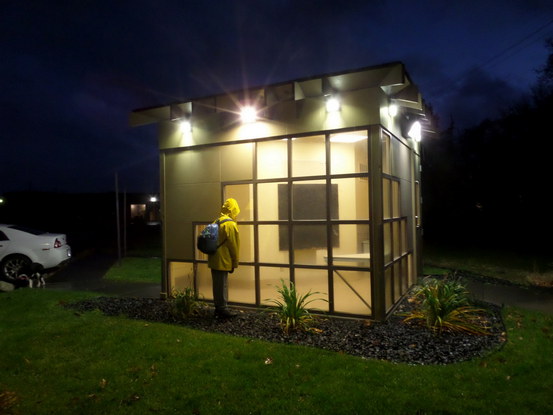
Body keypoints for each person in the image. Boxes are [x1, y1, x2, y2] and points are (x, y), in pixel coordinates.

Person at [207, 198, 240, 318]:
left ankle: (218, 307)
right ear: (234, 210)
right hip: (223, 259)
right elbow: (234, 245)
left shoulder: (216, 221)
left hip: (213, 258)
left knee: (217, 284)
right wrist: (234, 262)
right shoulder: (230, 224)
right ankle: (222, 310)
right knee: (222, 284)